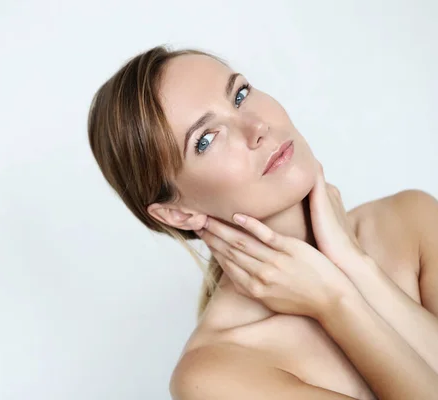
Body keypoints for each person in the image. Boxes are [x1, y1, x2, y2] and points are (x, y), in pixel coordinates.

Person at [86, 45, 438, 399]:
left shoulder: (411, 220)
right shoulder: (216, 374)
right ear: (178, 213)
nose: (255, 126)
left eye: (240, 94)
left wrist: (356, 266)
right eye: (205, 140)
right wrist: (335, 300)